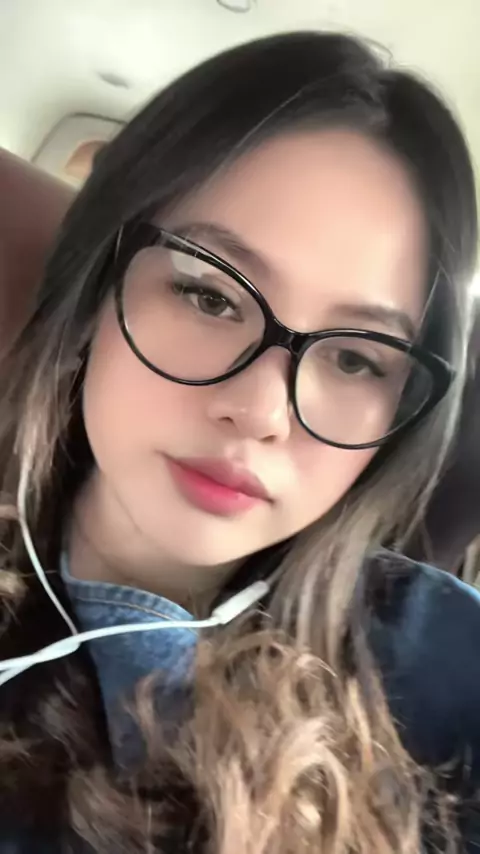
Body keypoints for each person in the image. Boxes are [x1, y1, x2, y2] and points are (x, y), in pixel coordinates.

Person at [0, 30, 478, 854]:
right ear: (93, 289)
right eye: (209, 297)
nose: (262, 411)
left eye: (356, 358)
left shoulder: (441, 658)